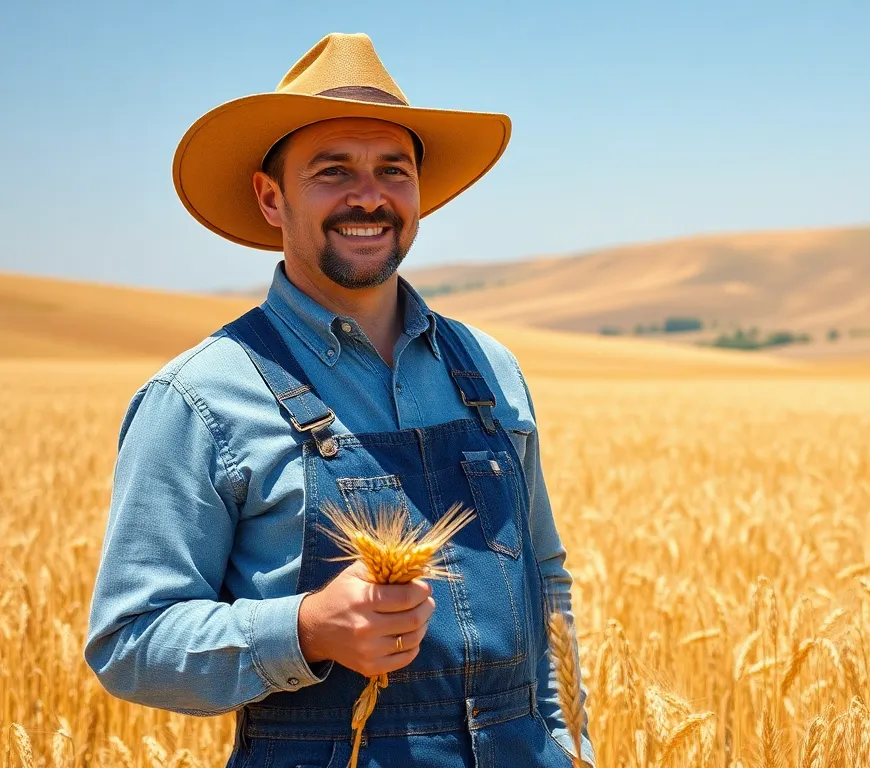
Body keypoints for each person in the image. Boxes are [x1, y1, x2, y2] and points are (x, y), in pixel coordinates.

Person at [83, 32, 595, 768]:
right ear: (271, 197)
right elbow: (129, 642)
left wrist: (572, 745)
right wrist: (305, 630)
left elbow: (546, 580)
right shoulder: (200, 398)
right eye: (333, 171)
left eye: (394, 169)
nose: (369, 196)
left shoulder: (492, 371)